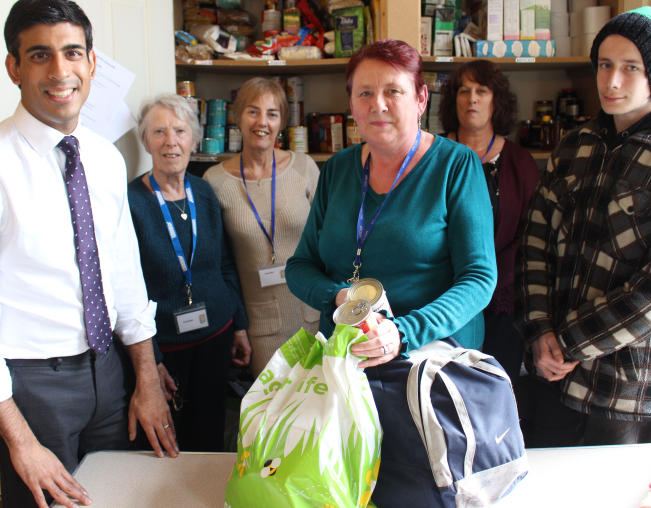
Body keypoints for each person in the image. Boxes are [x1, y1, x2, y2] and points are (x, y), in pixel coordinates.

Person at [0, 0, 175, 508]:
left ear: (91, 63)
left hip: (109, 370)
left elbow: (125, 276)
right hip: (32, 386)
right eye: (40, 55)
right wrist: (21, 441)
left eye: (72, 53)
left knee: (119, 498)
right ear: (14, 68)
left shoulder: (104, 158)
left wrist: (147, 379)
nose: (60, 70)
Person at [515, 6, 651, 447]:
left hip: (625, 388)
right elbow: (535, 242)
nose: (611, 82)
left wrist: (568, 342)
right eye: (605, 65)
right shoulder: (576, 145)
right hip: (552, 373)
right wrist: (539, 330)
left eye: (631, 68)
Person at [285, 39, 497, 365]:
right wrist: (341, 297)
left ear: (421, 98)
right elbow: (300, 267)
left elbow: (478, 278)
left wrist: (403, 331)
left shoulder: (456, 165)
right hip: (346, 359)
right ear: (351, 103)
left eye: (393, 91)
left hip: (430, 362)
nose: (378, 105)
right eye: (364, 93)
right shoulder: (337, 168)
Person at [128, 94, 250, 451]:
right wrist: (151, 360)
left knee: (209, 438)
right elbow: (128, 290)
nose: (171, 141)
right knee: (167, 446)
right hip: (166, 348)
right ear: (145, 140)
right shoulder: (131, 202)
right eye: (159, 131)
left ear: (194, 139)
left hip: (216, 337)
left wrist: (239, 325)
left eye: (180, 131)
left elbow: (224, 263)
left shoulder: (204, 191)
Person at [204, 78, 320, 376]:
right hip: (259, 326)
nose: (262, 122)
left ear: (281, 122)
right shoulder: (215, 181)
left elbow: (329, 241)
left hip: (313, 315)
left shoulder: (304, 168)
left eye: (272, 113)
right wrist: (237, 326)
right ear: (238, 117)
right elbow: (219, 265)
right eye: (253, 111)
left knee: (319, 401)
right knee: (270, 405)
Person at [438, 60, 540, 385]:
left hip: (500, 305)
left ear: (497, 101)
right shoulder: (430, 155)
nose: (472, 98)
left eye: (482, 91)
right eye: (463, 90)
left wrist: (485, 279)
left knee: (491, 393)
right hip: (438, 301)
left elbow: (531, 236)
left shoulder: (520, 163)